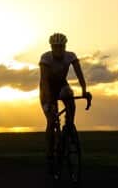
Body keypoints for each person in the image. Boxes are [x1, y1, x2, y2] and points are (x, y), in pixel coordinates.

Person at [40, 32, 87, 171]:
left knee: (69, 95)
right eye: (56, 47)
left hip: (61, 85)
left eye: (62, 47)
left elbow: (79, 74)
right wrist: (49, 102)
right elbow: (44, 81)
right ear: (52, 47)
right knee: (51, 120)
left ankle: (69, 127)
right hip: (47, 88)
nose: (59, 50)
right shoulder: (46, 58)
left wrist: (84, 91)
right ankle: (50, 155)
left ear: (65, 47)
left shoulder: (70, 56)